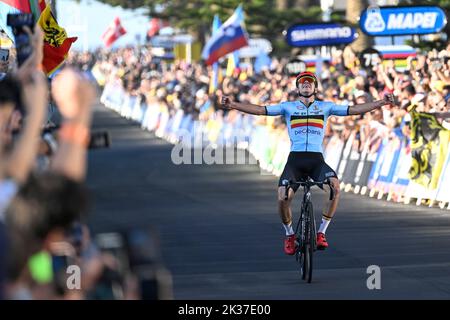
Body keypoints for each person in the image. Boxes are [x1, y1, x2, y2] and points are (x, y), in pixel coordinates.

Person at [221, 71, 394, 254]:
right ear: (297, 88)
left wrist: (381, 103)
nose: (305, 84)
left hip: (316, 161)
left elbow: (353, 109)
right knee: (282, 196)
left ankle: (321, 233)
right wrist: (233, 105)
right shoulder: (288, 107)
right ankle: (289, 235)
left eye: (309, 82)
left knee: (334, 188)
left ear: (315, 87)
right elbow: (260, 110)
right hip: (295, 160)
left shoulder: (325, 107)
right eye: (302, 82)